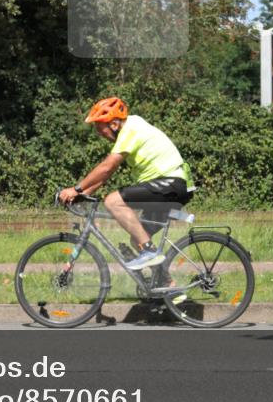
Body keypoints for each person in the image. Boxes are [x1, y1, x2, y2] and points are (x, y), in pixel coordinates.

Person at [58, 96, 193, 272]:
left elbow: (107, 167)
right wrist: (81, 194)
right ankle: (168, 285)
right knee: (138, 238)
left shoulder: (130, 129)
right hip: (173, 185)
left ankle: (149, 251)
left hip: (171, 183)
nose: (99, 133)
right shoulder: (131, 128)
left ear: (114, 124)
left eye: (99, 127)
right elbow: (104, 176)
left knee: (113, 201)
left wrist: (75, 189)